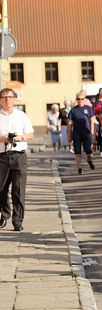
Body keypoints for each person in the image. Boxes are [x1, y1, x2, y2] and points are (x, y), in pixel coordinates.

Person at [0, 88, 34, 232]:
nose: (7, 100)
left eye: (9, 97)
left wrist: (20, 137)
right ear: (0, 100)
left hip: (19, 155)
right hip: (2, 156)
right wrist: (3, 138)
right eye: (4, 98)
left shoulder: (21, 115)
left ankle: (18, 221)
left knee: (18, 190)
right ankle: (4, 213)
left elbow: (30, 134)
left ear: (14, 99)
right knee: (1, 189)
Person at [68, 92, 96, 175]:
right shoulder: (73, 110)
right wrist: (69, 134)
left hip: (86, 132)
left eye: (82, 99)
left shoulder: (88, 108)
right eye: (78, 99)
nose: (80, 101)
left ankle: (89, 160)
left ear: (85, 99)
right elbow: (70, 123)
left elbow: (92, 121)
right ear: (76, 100)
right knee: (77, 151)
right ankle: (79, 167)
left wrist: (92, 132)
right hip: (77, 133)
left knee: (88, 150)